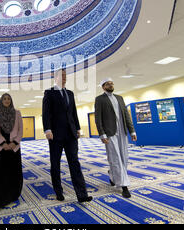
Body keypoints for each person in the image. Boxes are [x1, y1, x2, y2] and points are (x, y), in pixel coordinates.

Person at [42, 69, 92, 203]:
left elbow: (73, 112)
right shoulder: (49, 92)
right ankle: (58, 192)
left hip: (71, 133)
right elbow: (46, 113)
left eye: (65, 76)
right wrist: (47, 129)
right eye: (61, 75)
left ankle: (82, 194)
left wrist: (78, 128)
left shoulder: (70, 93)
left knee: (74, 162)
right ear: (55, 77)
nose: (64, 77)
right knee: (55, 164)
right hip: (55, 134)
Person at [94, 78, 137, 198]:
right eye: (108, 84)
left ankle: (112, 174)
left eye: (112, 83)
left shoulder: (119, 98)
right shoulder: (100, 99)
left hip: (122, 132)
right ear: (103, 87)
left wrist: (132, 131)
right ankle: (124, 186)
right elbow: (98, 118)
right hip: (110, 133)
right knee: (115, 157)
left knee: (124, 157)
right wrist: (102, 134)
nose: (111, 85)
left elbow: (126, 115)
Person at [0, 93, 23, 209]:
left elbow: (20, 130)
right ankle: (0, 197)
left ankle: (13, 194)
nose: (7, 100)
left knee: (13, 173)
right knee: (1, 173)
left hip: (14, 148)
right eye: (4, 99)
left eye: (9, 98)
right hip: (1, 148)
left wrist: (14, 143)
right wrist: (3, 143)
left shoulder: (17, 113)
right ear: (1, 101)